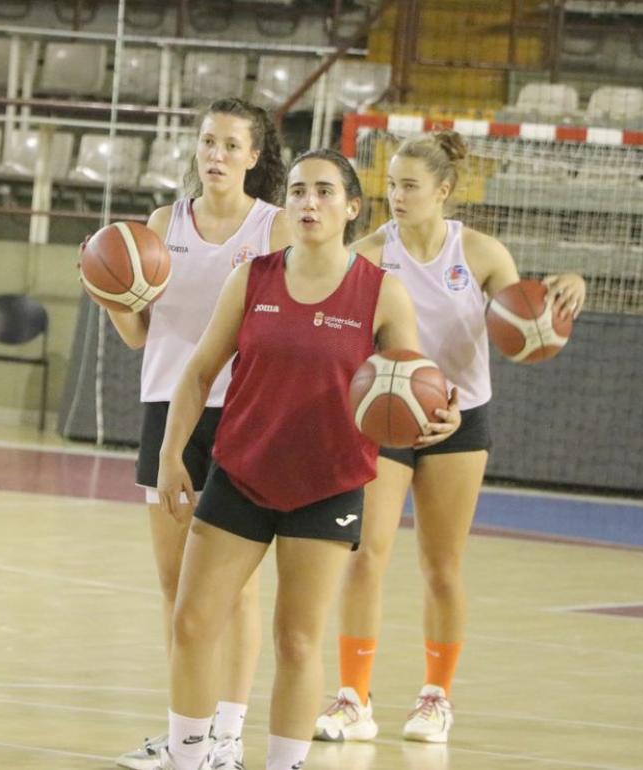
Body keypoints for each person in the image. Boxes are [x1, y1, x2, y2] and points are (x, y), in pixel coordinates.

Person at [154, 149, 459, 770]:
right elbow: (198, 373)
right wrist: (169, 455)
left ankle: (284, 763)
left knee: (296, 640)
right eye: (296, 191)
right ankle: (189, 759)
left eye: (323, 192)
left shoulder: (382, 294)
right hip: (240, 470)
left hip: (328, 483)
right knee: (191, 622)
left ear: (351, 208)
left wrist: (440, 414)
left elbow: (416, 384)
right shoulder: (253, 277)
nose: (308, 203)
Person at [313, 130, 586, 744]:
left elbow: (523, 322)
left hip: (460, 419)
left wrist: (565, 292)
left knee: (442, 566)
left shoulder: (483, 254)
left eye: (411, 186)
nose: (398, 196)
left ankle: (436, 698)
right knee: (365, 555)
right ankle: (354, 696)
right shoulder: (366, 253)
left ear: (443, 191)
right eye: (391, 185)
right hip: (386, 415)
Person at [105, 97, 292, 770]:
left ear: (253, 155)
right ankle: (186, 729)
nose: (215, 154)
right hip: (168, 408)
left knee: (234, 585)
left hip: (244, 410)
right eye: (207, 141)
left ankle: (229, 734)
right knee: (174, 582)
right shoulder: (163, 224)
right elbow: (140, 335)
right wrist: (112, 295)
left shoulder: (276, 229)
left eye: (229, 144)